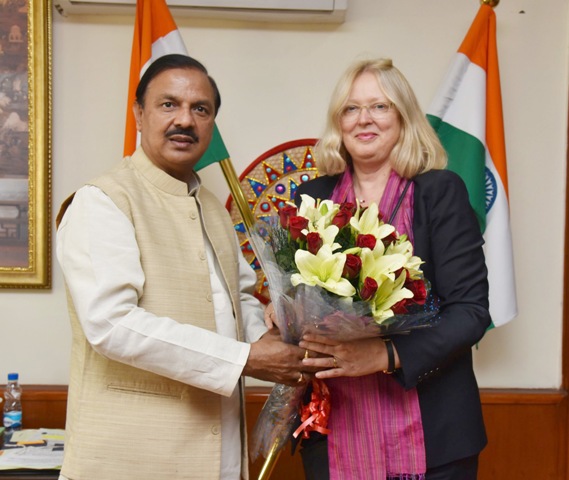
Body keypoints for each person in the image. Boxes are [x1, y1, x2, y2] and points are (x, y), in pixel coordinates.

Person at [55, 54, 315, 480]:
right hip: (131, 460)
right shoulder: (102, 200)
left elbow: (237, 301)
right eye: (168, 104)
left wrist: (272, 334)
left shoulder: (211, 207)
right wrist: (245, 358)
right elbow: (110, 323)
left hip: (220, 453)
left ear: (211, 124)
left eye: (201, 109)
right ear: (138, 114)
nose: (185, 120)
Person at [292, 58, 491, 479]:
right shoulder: (312, 196)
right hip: (332, 426)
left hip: (434, 435)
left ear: (403, 117)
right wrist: (284, 309)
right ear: (338, 122)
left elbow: (470, 312)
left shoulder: (440, 191)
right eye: (351, 108)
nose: (364, 119)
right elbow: (298, 291)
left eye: (379, 106)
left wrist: (384, 354)